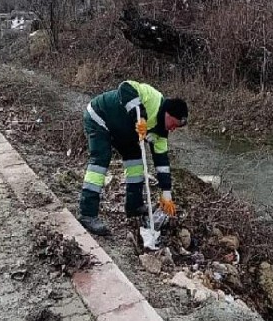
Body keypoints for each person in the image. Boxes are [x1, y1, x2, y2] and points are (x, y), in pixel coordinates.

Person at [78, 80, 189, 235]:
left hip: (122, 130)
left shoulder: (160, 134)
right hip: (100, 117)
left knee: (135, 159)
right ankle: (87, 213)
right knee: (101, 160)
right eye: (174, 124)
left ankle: (134, 206)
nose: (173, 129)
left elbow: (162, 162)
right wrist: (141, 116)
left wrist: (166, 193)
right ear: (167, 114)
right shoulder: (153, 98)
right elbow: (125, 87)